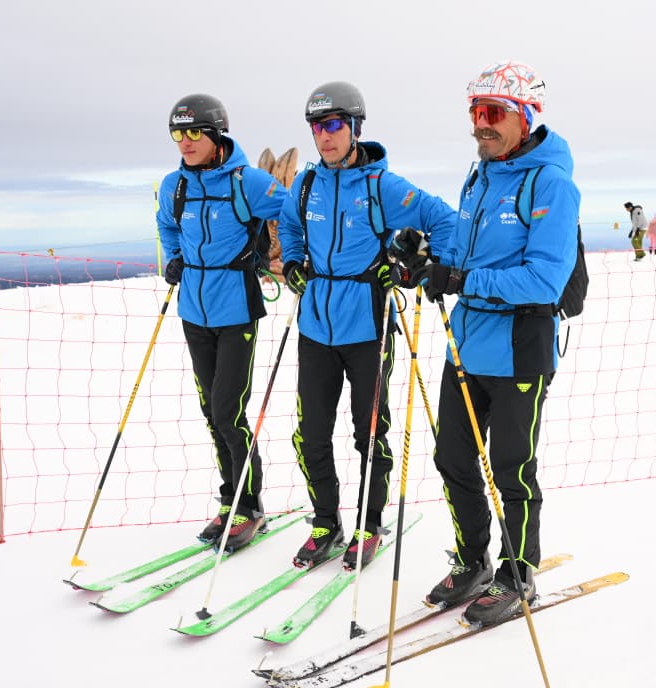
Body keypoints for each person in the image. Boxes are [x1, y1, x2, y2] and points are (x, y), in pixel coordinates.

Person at [390, 60, 580, 625]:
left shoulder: (551, 183)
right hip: (467, 344)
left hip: (521, 346)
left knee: (511, 466)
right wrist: (426, 261)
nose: (481, 124)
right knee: (452, 456)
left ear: (524, 116)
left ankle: (518, 573)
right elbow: (464, 255)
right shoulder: (479, 176)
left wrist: (463, 280)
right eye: (475, 111)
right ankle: (473, 559)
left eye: (494, 112)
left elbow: (544, 279)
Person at [277, 81, 456, 571]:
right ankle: (325, 522)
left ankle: (368, 524)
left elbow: (443, 219)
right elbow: (289, 225)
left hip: (368, 327)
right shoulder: (306, 185)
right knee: (310, 434)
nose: (325, 135)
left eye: (334, 124)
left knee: (369, 434)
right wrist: (292, 261)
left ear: (354, 127)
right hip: (316, 325)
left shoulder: (382, 186)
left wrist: (423, 266)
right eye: (317, 126)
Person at [156, 93, 289, 551]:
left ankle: (249, 507)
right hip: (193, 310)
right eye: (178, 133)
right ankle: (230, 499)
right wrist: (174, 257)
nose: (185, 142)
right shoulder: (174, 186)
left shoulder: (248, 182)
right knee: (212, 413)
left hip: (236, 309)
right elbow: (167, 225)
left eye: (194, 132)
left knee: (229, 412)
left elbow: (291, 214)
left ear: (216, 135)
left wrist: (280, 255)